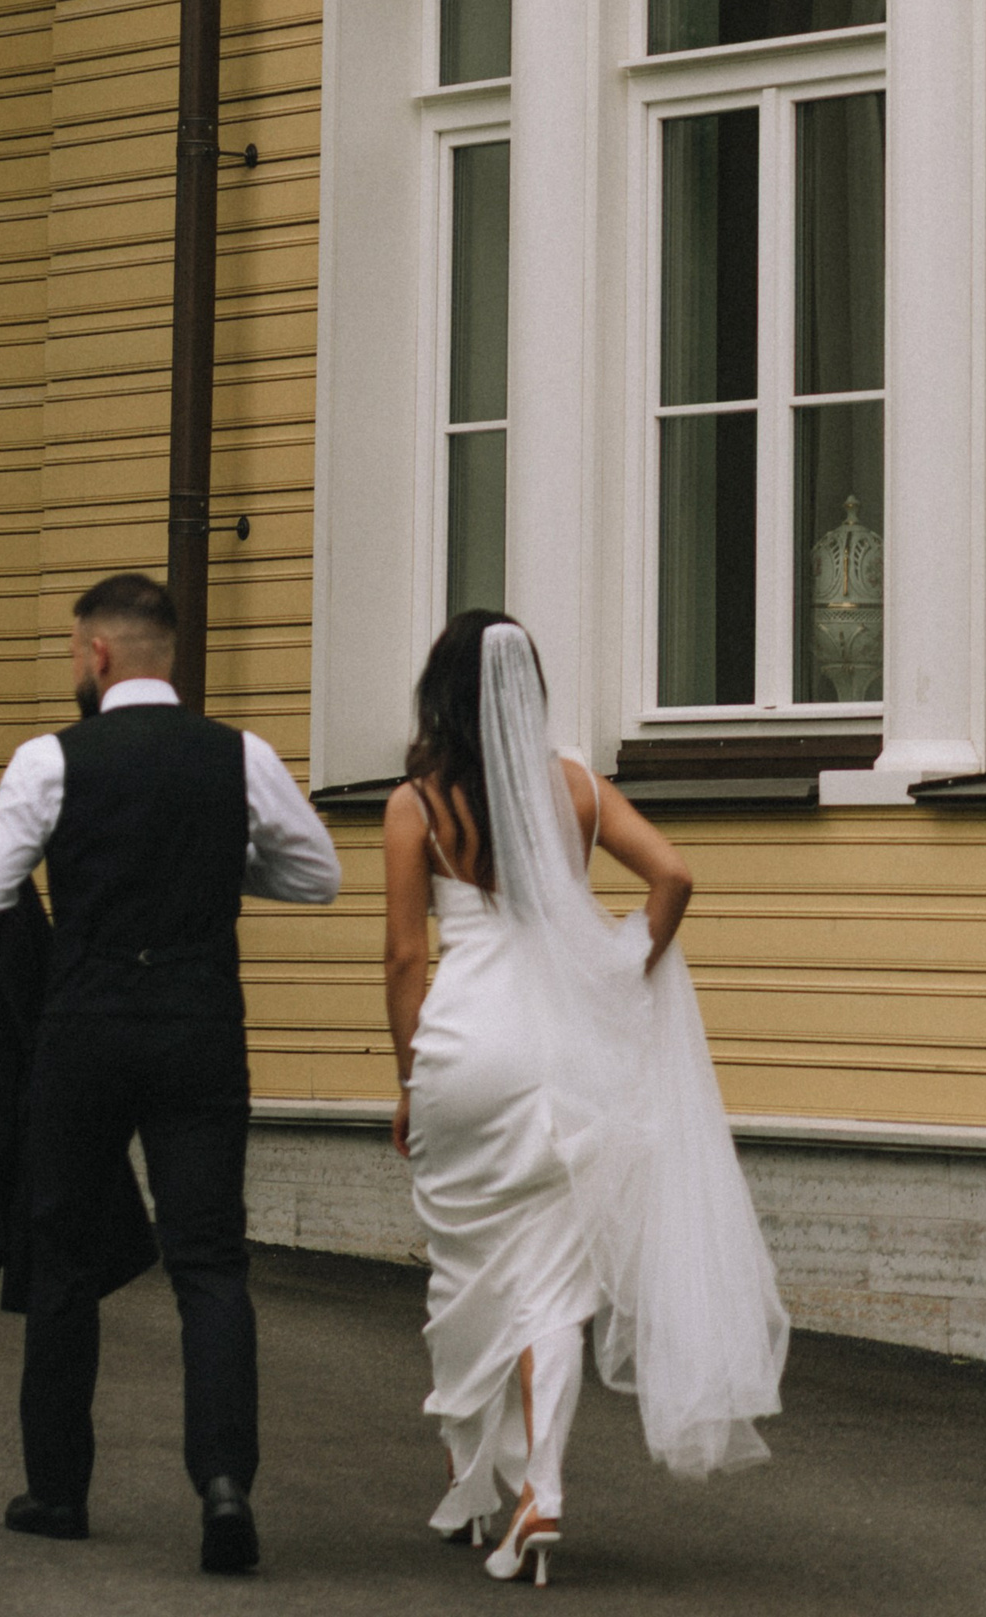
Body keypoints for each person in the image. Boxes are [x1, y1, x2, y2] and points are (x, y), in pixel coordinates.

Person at [0, 570, 341, 1575]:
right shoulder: (239, 755)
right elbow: (317, 874)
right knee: (209, 1261)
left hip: (84, 1028)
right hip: (200, 1028)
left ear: (98, 653)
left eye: (74, 651)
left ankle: (57, 1491)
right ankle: (223, 1483)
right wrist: (211, 863)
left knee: (61, 1256)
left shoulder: (50, 759)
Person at [382, 611, 788, 1586]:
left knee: (469, 1270)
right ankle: (541, 1489)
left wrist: (407, 1081)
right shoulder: (573, 788)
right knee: (553, 1290)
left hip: (465, 1052)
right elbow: (673, 875)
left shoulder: (415, 804)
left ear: (441, 694)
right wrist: (619, 975)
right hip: (564, 1051)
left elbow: (403, 957)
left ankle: (473, 1483)